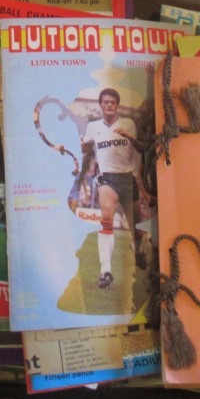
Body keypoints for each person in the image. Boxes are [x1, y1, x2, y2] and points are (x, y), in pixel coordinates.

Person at [80, 88, 148, 289]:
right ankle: (105, 272)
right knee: (106, 218)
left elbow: (142, 149)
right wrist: (72, 145)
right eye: (105, 102)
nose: (109, 105)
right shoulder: (93, 127)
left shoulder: (128, 124)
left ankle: (138, 252)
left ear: (116, 105)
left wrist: (130, 137)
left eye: (112, 102)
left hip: (128, 179)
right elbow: (84, 147)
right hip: (107, 178)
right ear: (101, 105)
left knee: (136, 230)